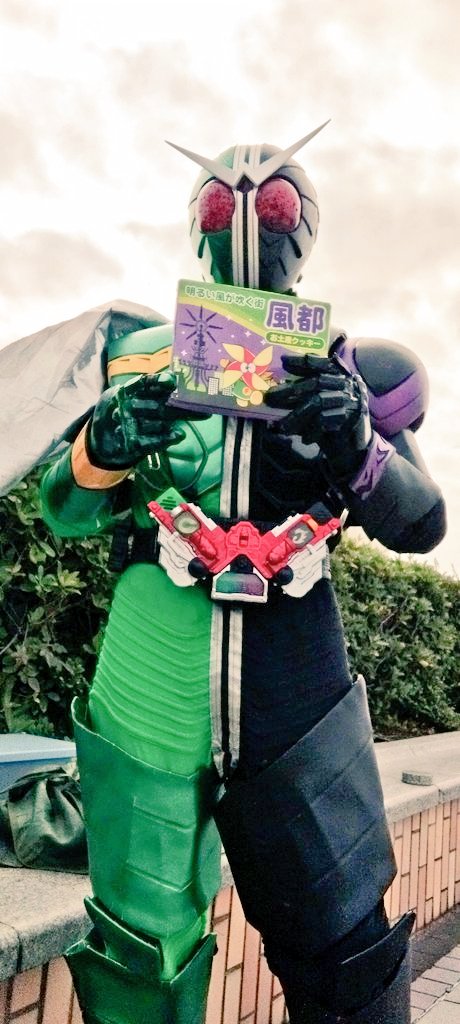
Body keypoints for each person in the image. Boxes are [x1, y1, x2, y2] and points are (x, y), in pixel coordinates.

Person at [38, 125, 446, 1024]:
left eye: (274, 202)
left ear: (305, 221)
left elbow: (423, 523)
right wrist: (104, 442)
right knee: (140, 940)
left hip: (292, 666)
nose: (252, 216)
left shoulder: (355, 369)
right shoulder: (139, 354)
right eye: (227, 204)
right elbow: (62, 507)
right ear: (202, 222)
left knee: (345, 940)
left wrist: (359, 444)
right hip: (156, 650)